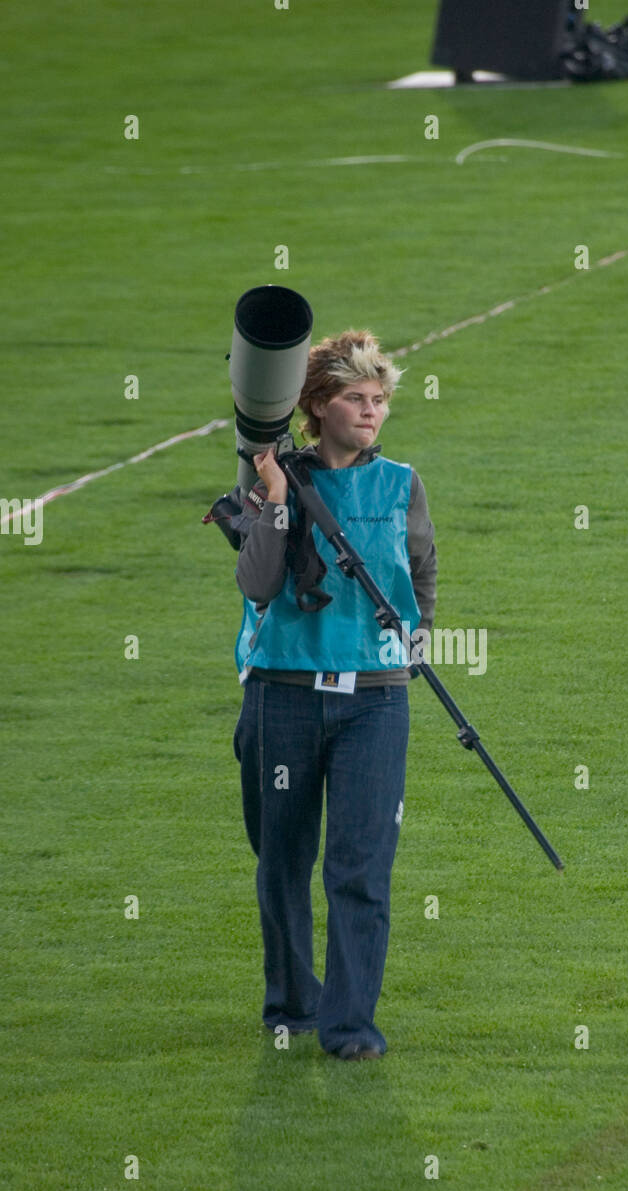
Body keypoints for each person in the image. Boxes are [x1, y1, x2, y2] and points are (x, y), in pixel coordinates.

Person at [231, 330, 437, 1060]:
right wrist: (278, 501)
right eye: (357, 398)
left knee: (360, 866)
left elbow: (420, 573)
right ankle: (291, 1003)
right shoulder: (267, 477)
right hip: (281, 695)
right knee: (282, 858)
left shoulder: (402, 482)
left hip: (376, 704)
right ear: (317, 405)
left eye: (380, 400)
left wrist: (414, 645)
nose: (373, 411)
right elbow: (257, 584)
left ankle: (352, 1028)